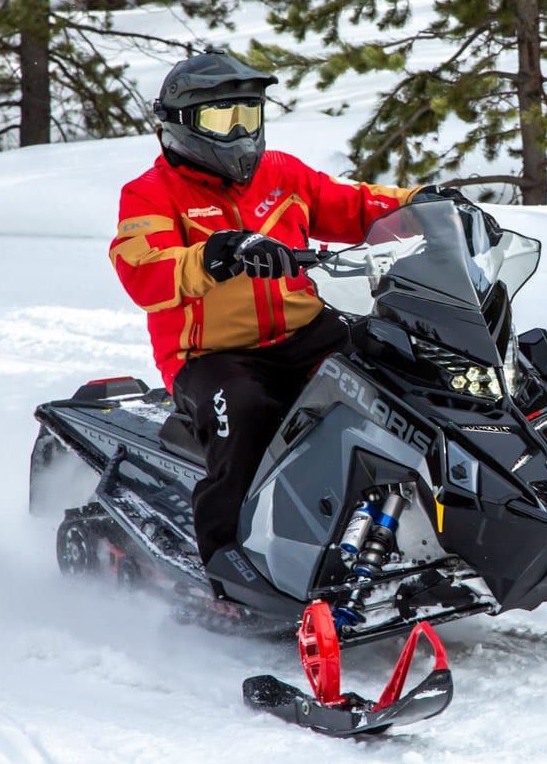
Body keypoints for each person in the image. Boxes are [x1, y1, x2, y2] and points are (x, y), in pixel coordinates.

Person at [109, 46, 430, 583]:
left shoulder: (282, 174)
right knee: (250, 414)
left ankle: (428, 519)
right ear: (181, 125)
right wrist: (214, 254)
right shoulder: (150, 194)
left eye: (248, 116)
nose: (239, 133)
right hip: (212, 355)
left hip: (304, 332)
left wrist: (423, 206)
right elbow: (141, 267)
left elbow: (352, 206)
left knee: (398, 376)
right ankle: (228, 571)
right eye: (221, 118)